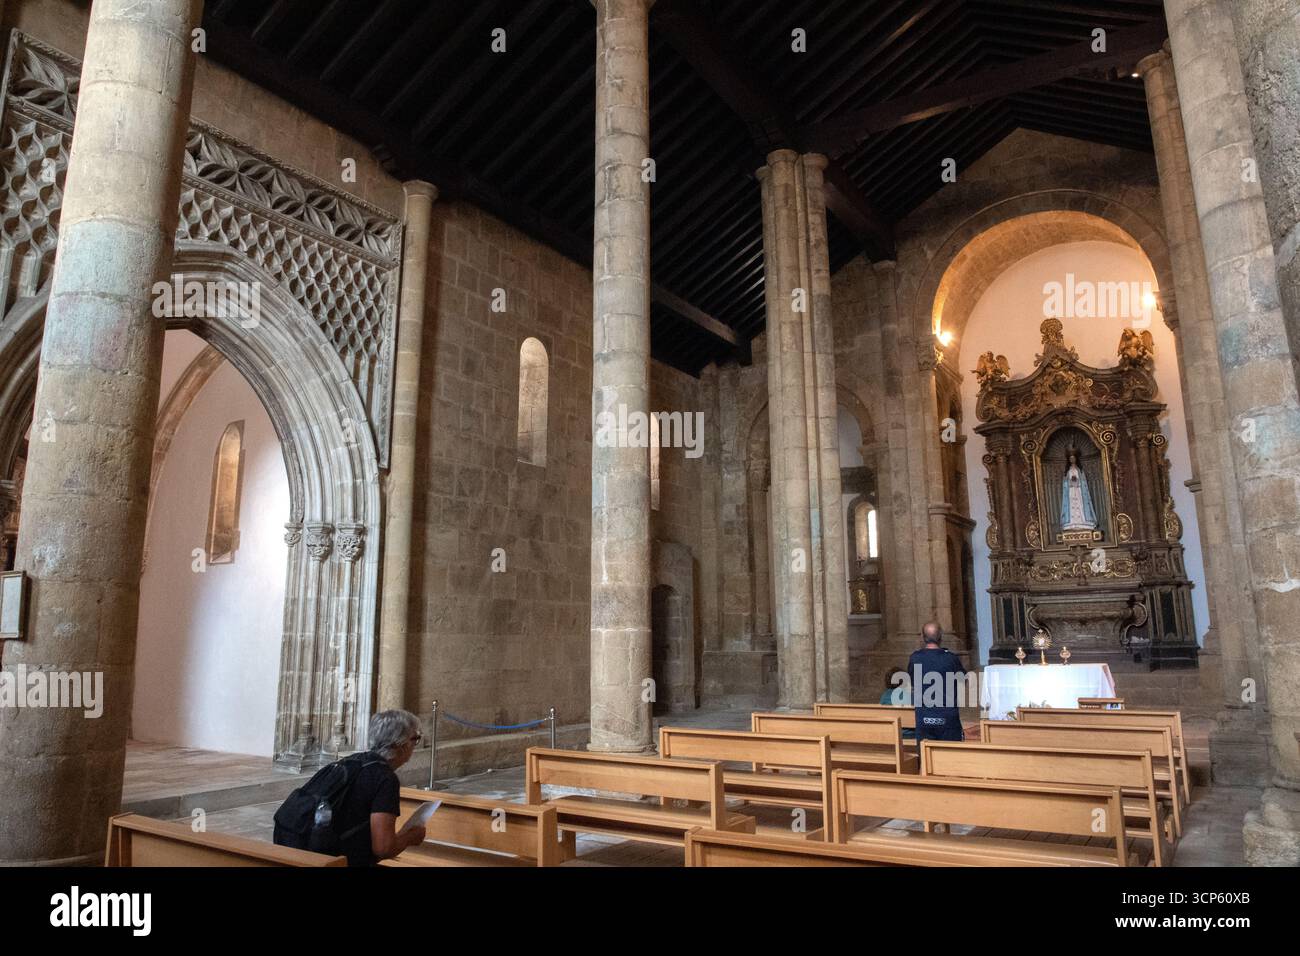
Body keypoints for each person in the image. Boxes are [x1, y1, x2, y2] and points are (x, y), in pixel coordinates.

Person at [335, 709, 428, 866]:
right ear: (402, 744)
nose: (415, 745)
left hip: (306, 849)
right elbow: (383, 848)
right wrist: (410, 838)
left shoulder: (350, 761)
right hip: (334, 859)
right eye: (415, 739)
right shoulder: (385, 778)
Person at [908, 622, 967, 749]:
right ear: (941, 637)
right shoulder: (950, 658)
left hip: (923, 715)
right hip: (947, 716)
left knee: (925, 755)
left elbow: (912, 681)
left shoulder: (915, 658)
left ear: (923, 637)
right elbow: (962, 681)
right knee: (952, 754)